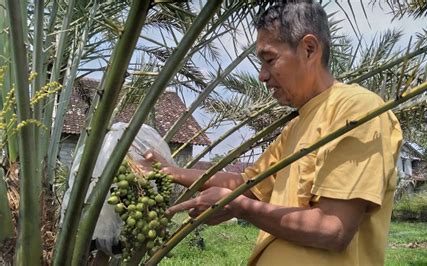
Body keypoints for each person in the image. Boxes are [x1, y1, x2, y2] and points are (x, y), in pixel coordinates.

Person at [144, 1, 403, 265]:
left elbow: (333, 229)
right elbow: (246, 187)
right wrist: (171, 172)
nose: (262, 76)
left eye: (270, 60)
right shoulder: (295, 127)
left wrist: (239, 207)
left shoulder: (357, 109)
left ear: (309, 49)